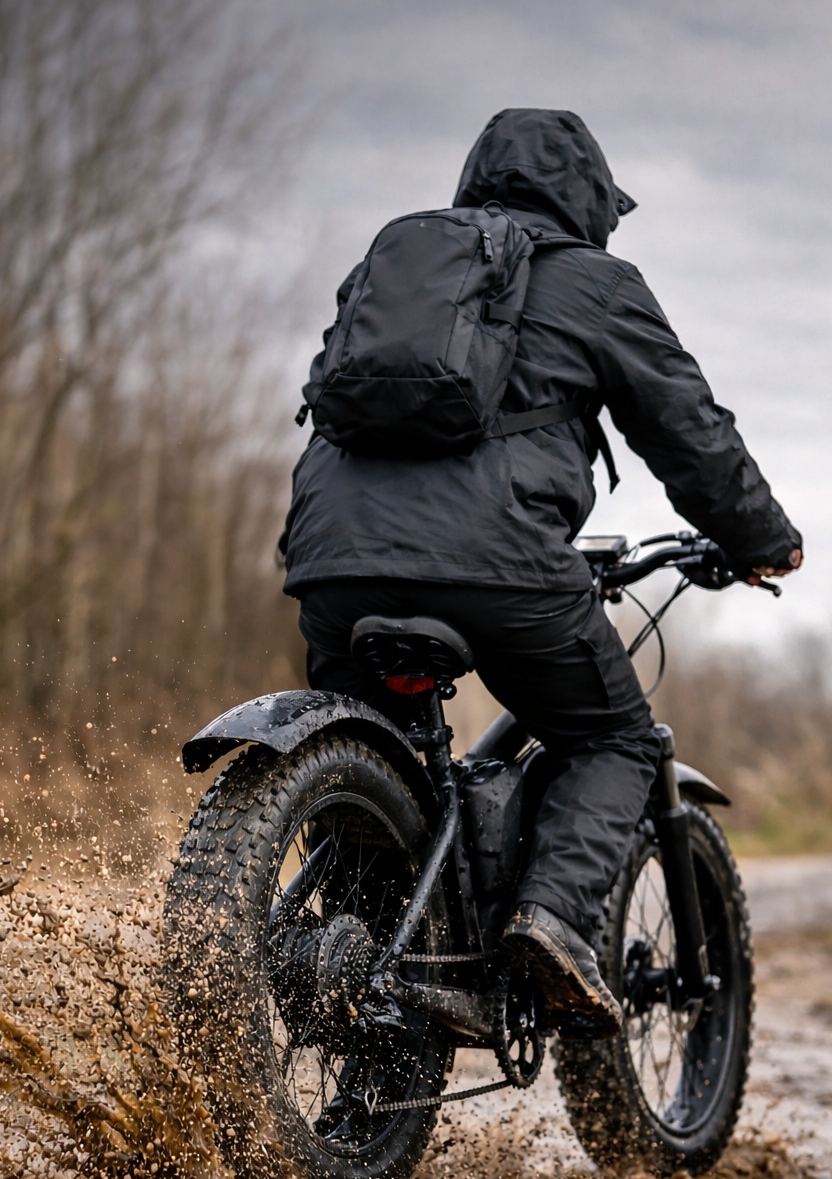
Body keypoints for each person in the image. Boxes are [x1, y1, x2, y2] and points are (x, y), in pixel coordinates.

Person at [278, 108, 802, 1036]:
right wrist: (763, 537)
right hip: (502, 563)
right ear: (587, 201)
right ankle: (551, 921)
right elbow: (689, 432)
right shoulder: (600, 284)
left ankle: (371, 986)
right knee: (616, 740)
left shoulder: (393, 271)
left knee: (378, 764)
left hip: (333, 558)